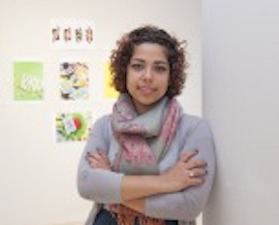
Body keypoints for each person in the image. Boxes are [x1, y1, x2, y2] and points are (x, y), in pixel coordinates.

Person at [77, 25, 215, 225]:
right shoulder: (104, 127)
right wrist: (166, 182)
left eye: (159, 68)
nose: (148, 76)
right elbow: (87, 184)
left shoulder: (193, 129)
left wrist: (112, 187)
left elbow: (189, 205)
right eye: (138, 66)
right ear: (125, 71)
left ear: (171, 76)